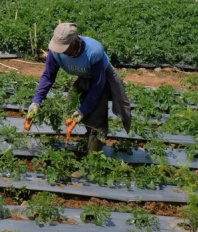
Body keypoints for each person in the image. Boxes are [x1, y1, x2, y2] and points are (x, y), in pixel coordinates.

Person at [26, 23, 131, 153]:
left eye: (64, 47)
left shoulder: (93, 51)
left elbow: (98, 84)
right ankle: (85, 140)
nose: (61, 50)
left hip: (102, 81)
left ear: (74, 42)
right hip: (83, 77)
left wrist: (83, 110)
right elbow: (48, 75)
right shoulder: (55, 51)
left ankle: (93, 160)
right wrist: (36, 101)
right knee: (71, 105)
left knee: (96, 121)